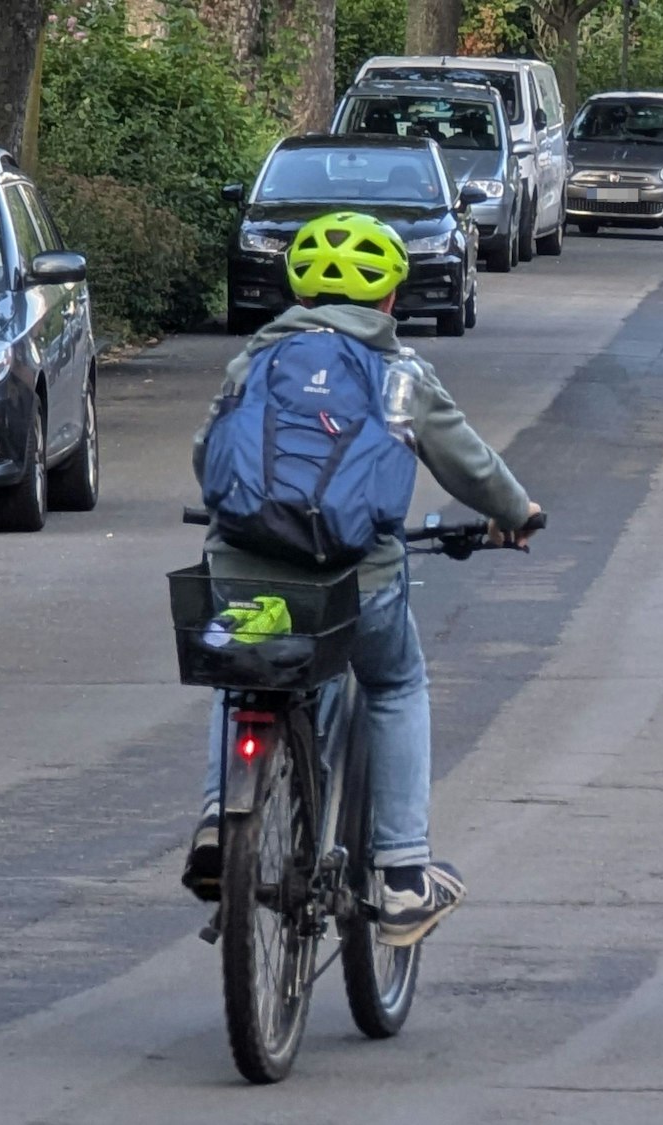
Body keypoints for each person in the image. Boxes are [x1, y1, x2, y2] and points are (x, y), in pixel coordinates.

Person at [183, 211, 541, 946]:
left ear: (300, 293)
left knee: (240, 673)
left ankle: (222, 819)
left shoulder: (254, 359)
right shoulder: (401, 375)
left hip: (241, 575)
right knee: (395, 681)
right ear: (388, 301)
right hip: (355, 583)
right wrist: (517, 513)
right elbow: (469, 465)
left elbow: (207, 454)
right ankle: (405, 873)